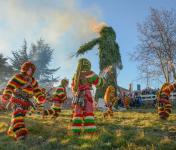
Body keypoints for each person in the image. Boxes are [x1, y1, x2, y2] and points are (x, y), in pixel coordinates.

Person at [1, 61, 46, 141]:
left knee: (19, 116)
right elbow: (10, 86)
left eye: (31, 70)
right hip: (17, 99)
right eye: (28, 69)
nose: (30, 71)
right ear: (24, 69)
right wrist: (7, 94)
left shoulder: (33, 81)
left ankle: (11, 130)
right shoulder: (17, 77)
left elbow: (37, 90)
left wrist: (40, 97)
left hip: (26, 102)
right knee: (18, 114)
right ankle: (21, 134)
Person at [71, 58, 105, 134]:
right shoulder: (90, 73)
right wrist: (102, 76)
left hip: (78, 95)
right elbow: (99, 83)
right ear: (88, 65)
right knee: (88, 111)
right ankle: (89, 130)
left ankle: (76, 130)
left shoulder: (75, 75)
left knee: (77, 112)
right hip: (87, 94)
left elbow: (73, 87)